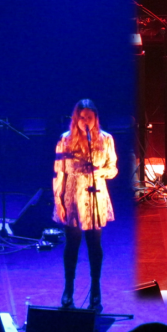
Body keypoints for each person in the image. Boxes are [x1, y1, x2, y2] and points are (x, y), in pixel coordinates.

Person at [52, 99, 118, 312]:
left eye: (89, 117)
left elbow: (113, 169)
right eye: (82, 117)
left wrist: (99, 172)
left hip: (95, 195)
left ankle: (95, 288)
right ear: (76, 118)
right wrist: (58, 201)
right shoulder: (65, 140)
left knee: (94, 245)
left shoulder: (106, 139)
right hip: (72, 196)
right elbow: (59, 172)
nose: (85, 121)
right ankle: (68, 288)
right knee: (72, 244)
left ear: (95, 118)